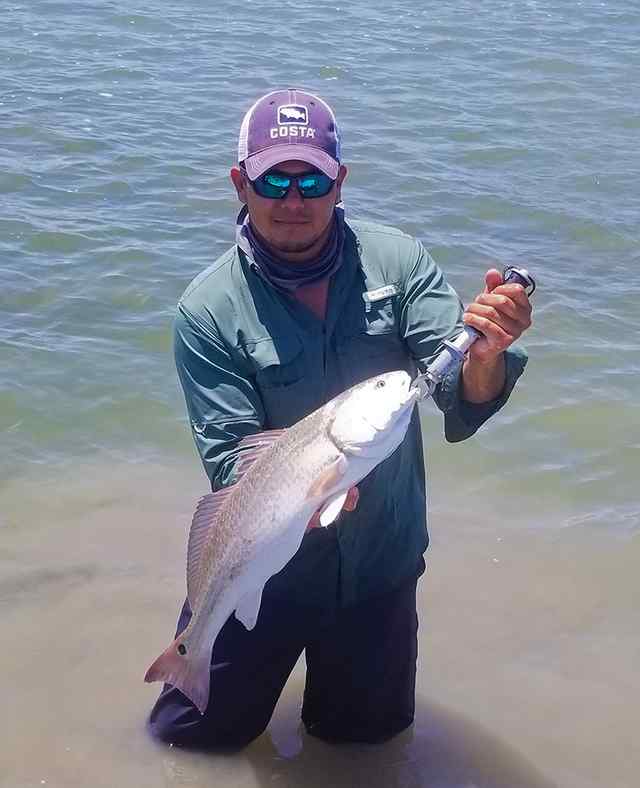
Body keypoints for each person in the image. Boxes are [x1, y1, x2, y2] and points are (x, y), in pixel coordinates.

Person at [148, 88, 532, 748]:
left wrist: (488, 351)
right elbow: (231, 459)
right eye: (273, 178)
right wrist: (316, 489)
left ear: (339, 181)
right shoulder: (207, 312)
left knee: (364, 753)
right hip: (259, 566)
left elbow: (460, 391)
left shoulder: (398, 263)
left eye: (311, 179)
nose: (292, 199)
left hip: (380, 565)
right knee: (186, 744)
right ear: (240, 183)